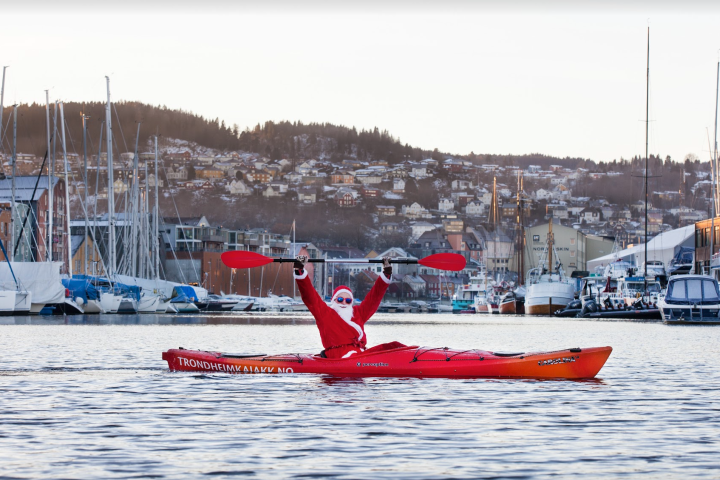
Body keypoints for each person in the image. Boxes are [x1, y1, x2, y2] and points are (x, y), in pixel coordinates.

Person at [293, 255, 404, 359]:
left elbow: (374, 297)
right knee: (354, 355)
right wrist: (300, 271)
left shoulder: (358, 313)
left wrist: (386, 273)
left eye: (348, 300)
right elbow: (310, 296)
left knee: (394, 346)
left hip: (359, 354)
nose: (344, 303)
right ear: (334, 300)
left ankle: (411, 359)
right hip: (338, 355)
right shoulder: (324, 313)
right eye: (340, 299)